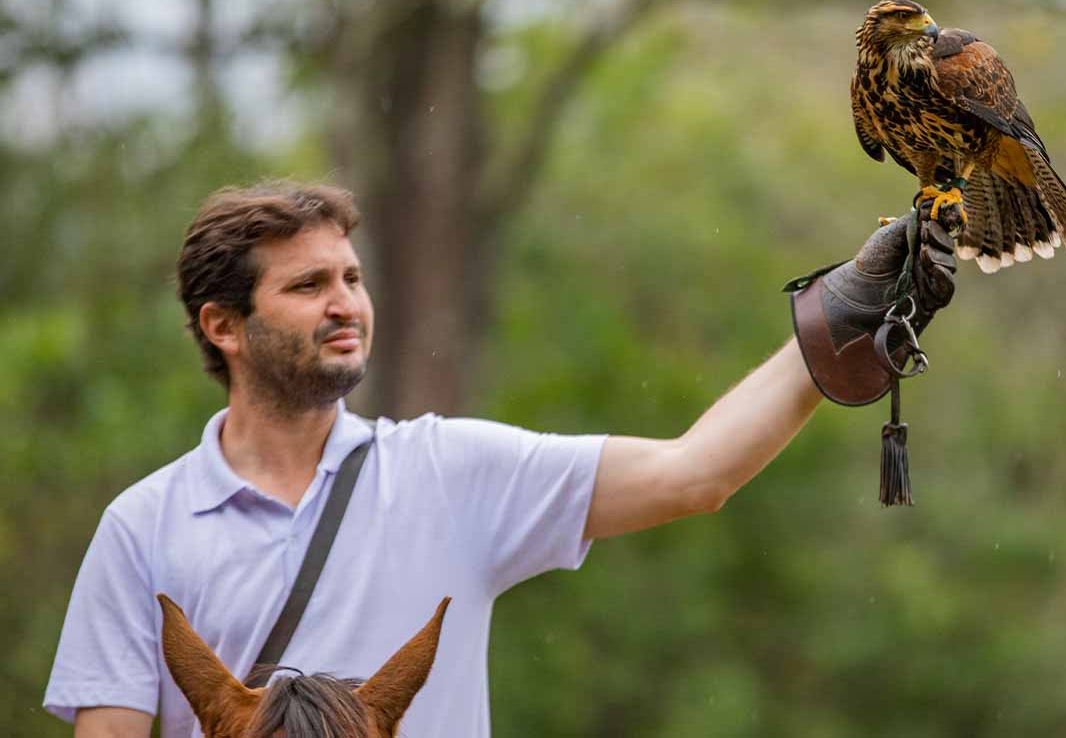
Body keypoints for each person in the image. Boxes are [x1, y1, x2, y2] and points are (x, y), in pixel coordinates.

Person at [43, 181, 957, 737]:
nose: (346, 303)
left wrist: (840, 320)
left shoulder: (448, 471)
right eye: (308, 285)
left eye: (353, 278)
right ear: (223, 326)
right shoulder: (143, 527)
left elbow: (694, 473)